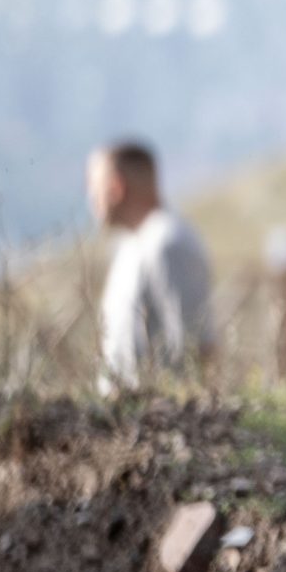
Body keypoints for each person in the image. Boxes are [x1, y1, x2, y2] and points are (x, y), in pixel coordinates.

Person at [88, 140, 213, 391]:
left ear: (116, 187)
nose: (91, 197)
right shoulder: (133, 244)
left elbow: (197, 346)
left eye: (94, 186)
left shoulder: (168, 243)